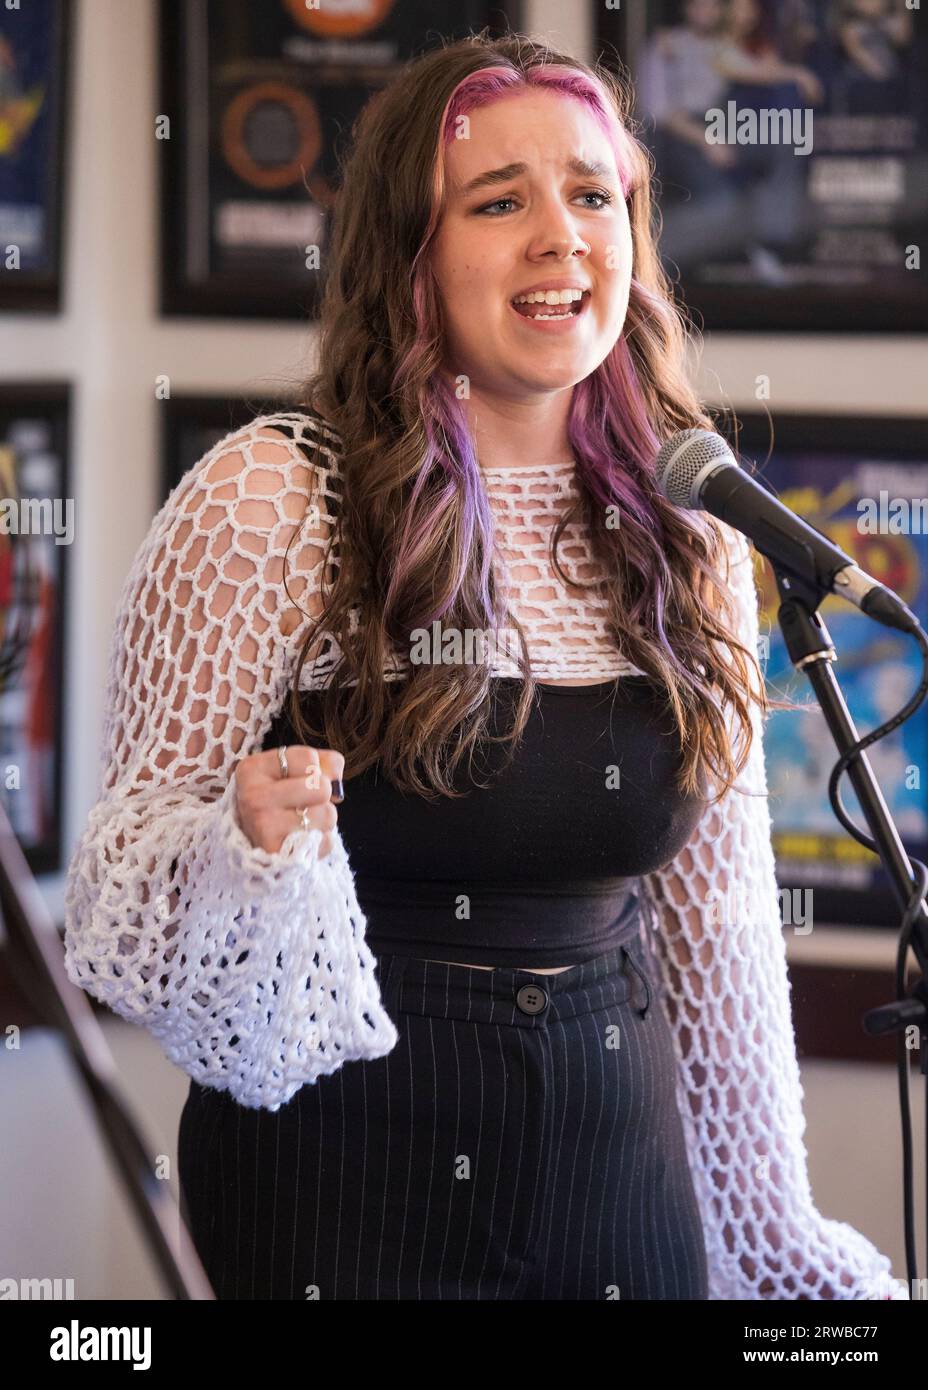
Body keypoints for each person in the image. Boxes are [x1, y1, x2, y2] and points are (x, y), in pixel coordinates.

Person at [63, 31, 901, 1301]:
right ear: (412, 251)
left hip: (620, 1187)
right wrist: (236, 849)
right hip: (345, 1192)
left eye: (591, 195)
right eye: (498, 201)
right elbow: (115, 911)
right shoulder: (273, 499)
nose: (559, 236)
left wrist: (777, 1243)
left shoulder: (693, 529)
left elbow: (715, 940)